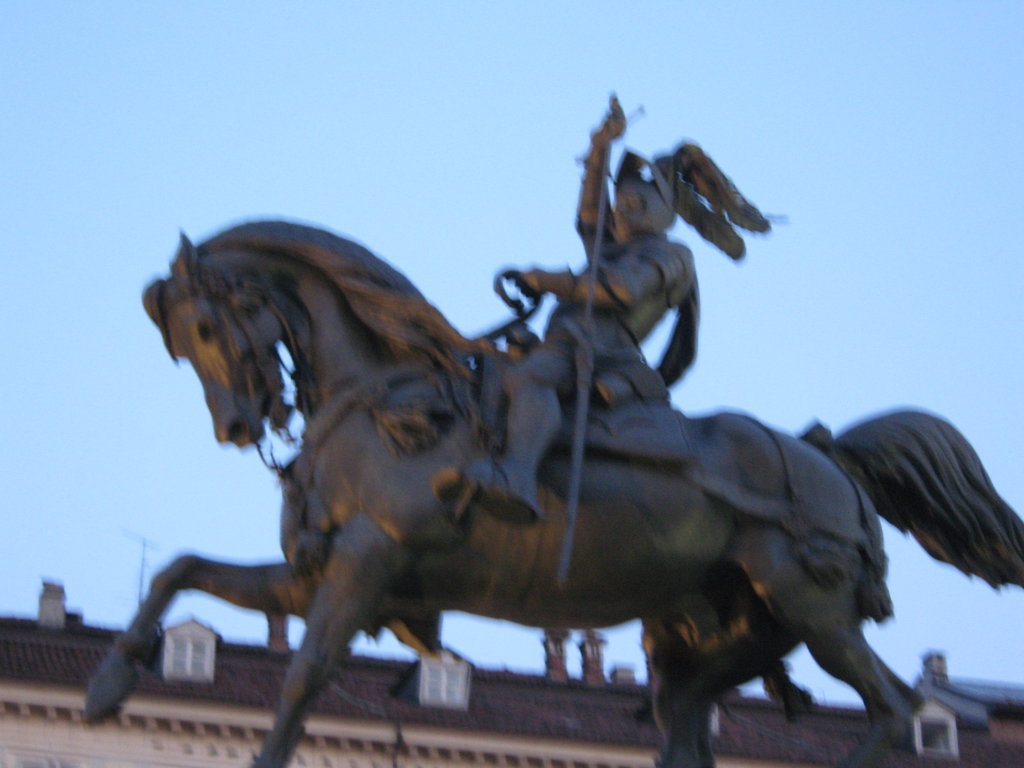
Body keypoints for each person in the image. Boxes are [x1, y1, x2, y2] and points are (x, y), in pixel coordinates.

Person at [433, 97, 701, 523]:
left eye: (634, 203)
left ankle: (516, 477)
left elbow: (622, 291)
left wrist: (547, 280)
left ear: (661, 210)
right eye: (621, 202)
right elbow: (589, 216)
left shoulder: (671, 255)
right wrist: (600, 148)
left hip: (602, 352)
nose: (622, 210)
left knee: (531, 378)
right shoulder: (613, 248)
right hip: (565, 340)